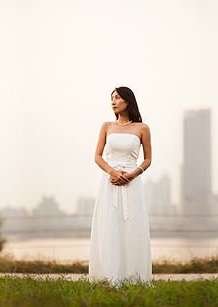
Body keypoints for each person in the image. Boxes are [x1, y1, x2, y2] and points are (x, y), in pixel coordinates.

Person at [88, 86, 153, 287]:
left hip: (132, 184)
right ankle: (109, 275)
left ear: (128, 100)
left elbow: (148, 159)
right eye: (112, 98)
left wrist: (132, 175)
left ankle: (134, 276)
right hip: (110, 183)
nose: (113, 101)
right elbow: (97, 156)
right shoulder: (106, 126)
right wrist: (113, 172)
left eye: (117, 97)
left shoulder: (142, 128)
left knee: (132, 226)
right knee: (109, 225)